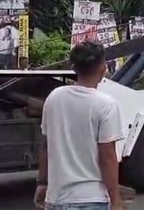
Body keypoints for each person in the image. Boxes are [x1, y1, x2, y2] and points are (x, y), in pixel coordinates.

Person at [35, 41, 126, 210]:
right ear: (102, 68)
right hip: (91, 200)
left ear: (74, 69)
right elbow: (108, 157)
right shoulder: (105, 105)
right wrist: (116, 200)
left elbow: (46, 147)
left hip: (55, 200)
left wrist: (42, 182)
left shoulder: (54, 98)